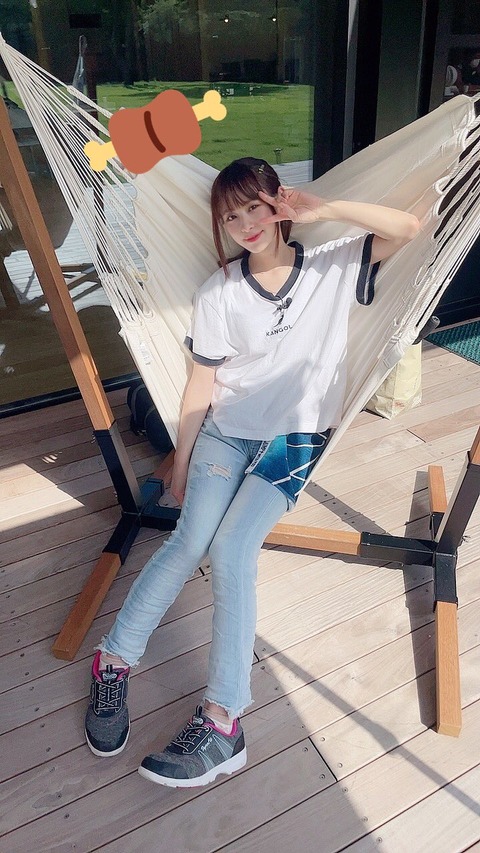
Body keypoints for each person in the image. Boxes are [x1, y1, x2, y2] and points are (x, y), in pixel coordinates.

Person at [84, 157, 420, 787]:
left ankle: (223, 723)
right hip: (225, 433)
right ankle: (114, 659)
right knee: (188, 540)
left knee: (233, 549)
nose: (245, 224)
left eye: (255, 207)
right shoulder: (219, 292)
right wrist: (180, 461)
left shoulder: (331, 264)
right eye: (231, 216)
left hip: (294, 440)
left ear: (278, 203)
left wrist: (323, 210)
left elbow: (408, 227)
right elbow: (201, 385)